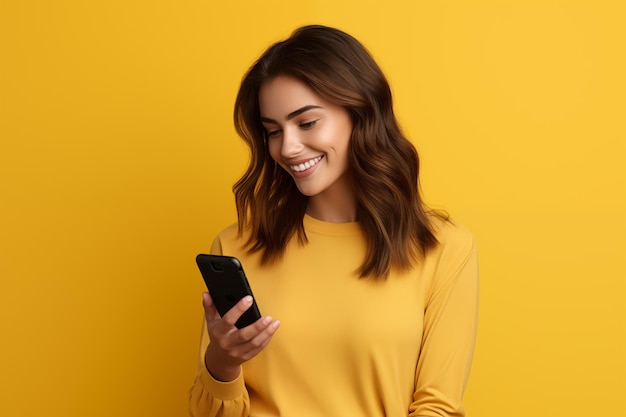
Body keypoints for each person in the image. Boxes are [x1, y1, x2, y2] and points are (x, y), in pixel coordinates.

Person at [189, 25, 479, 417]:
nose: (288, 148)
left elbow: (437, 407)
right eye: (273, 131)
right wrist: (222, 362)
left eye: (306, 123)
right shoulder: (236, 246)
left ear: (361, 113)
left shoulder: (442, 247)